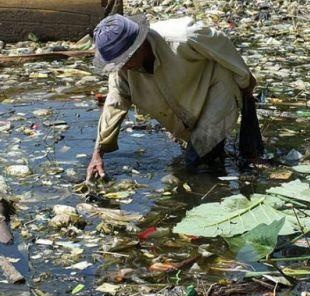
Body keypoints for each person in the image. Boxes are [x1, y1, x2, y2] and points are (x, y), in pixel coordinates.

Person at [86, 14, 261, 180]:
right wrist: (98, 153)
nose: (122, 67)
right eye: (118, 63)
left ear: (139, 44)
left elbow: (223, 47)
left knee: (196, 162)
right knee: (203, 152)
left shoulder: (184, 36)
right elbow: (115, 103)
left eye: (125, 60)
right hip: (188, 101)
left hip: (218, 89)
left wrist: (245, 85)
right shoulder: (122, 70)